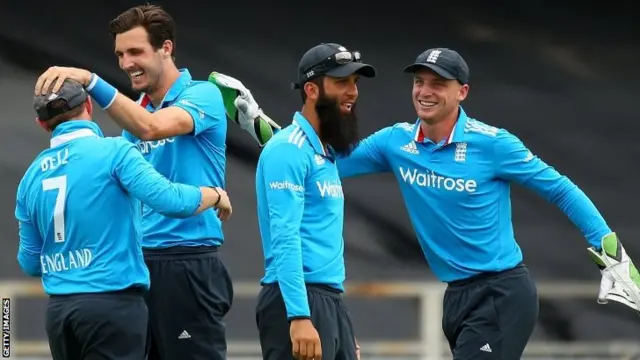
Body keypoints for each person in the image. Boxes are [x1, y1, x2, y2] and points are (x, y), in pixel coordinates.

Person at [331, 48, 636, 359]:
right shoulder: (394, 141)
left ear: (462, 92)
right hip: (456, 296)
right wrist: (282, 141)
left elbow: (560, 189)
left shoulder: (493, 144)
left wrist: (611, 253)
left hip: (500, 293)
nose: (424, 91)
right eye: (419, 81)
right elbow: (327, 163)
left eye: (438, 83)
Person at [32, 4, 245, 359]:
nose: (126, 62)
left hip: (186, 263)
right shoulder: (137, 111)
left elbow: (154, 128)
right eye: (119, 54)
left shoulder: (202, 95)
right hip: (132, 270)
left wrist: (91, 80)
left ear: (166, 48)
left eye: (135, 52)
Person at [16, 79, 232, 360]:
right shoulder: (114, 152)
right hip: (113, 306)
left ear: (42, 124)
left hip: (59, 314)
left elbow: (30, 263)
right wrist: (214, 194)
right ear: (89, 106)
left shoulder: (31, 177)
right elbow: (171, 200)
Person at [254, 43, 375, 360]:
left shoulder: (324, 153)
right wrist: (299, 317)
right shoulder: (287, 149)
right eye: (341, 82)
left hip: (328, 300)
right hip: (297, 301)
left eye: (355, 83)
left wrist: (339, 325)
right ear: (311, 89)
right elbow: (285, 235)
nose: (352, 92)